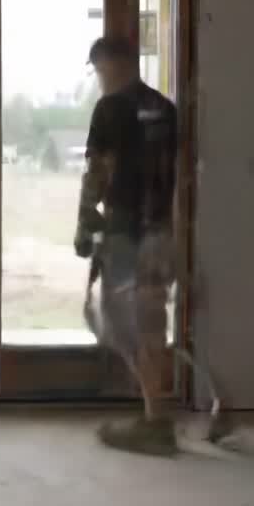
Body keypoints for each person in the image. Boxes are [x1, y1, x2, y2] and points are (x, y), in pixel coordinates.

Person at [74, 34, 183, 455]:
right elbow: (182, 176)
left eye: (99, 69)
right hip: (161, 231)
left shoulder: (110, 108)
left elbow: (98, 171)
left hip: (124, 232)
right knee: (151, 323)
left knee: (117, 322)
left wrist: (85, 222)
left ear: (111, 65)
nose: (99, 78)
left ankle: (155, 419)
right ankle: (156, 417)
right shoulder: (166, 110)